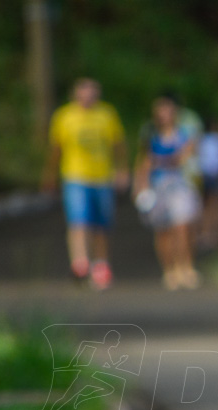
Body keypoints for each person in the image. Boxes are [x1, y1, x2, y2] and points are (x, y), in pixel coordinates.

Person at [42, 77, 128, 290]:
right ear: (76, 94)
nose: (88, 96)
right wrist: (49, 175)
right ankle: (80, 262)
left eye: (92, 92)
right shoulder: (64, 116)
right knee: (78, 220)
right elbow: (56, 149)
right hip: (75, 176)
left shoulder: (106, 115)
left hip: (102, 176)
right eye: (84, 92)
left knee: (101, 224)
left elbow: (118, 144)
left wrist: (122, 170)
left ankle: (100, 264)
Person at [133, 93, 202, 290]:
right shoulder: (150, 136)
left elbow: (184, 156)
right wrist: (140, 187)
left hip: (180, 184)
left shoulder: (184, 134)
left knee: (183, 226)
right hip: (158, 186)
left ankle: (186, 266)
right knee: (163, 230)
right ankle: (169, 269)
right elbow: (144, 163)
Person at [196, 116, 218, 251]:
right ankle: (213, 232)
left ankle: (204, 233)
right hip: (216, 174)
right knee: (215, 205)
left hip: (203, 174)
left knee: (204, 205)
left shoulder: (200, 140)